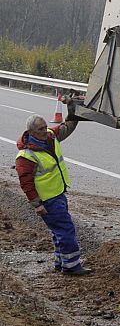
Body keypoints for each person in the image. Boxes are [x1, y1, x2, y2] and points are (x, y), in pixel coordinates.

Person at [15, 96, 91, 276]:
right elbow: (26, 184)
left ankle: (61, 261)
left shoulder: (50, 137)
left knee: (59, 231)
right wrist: (37, 205)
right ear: (31, 132)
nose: (45, 131)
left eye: (44, 127)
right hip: (47, 200)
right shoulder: (26, 156)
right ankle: (71, 266)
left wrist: (74, 112)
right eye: (40, 129)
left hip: (58, 194)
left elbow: (66, 127)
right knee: (66, 230)